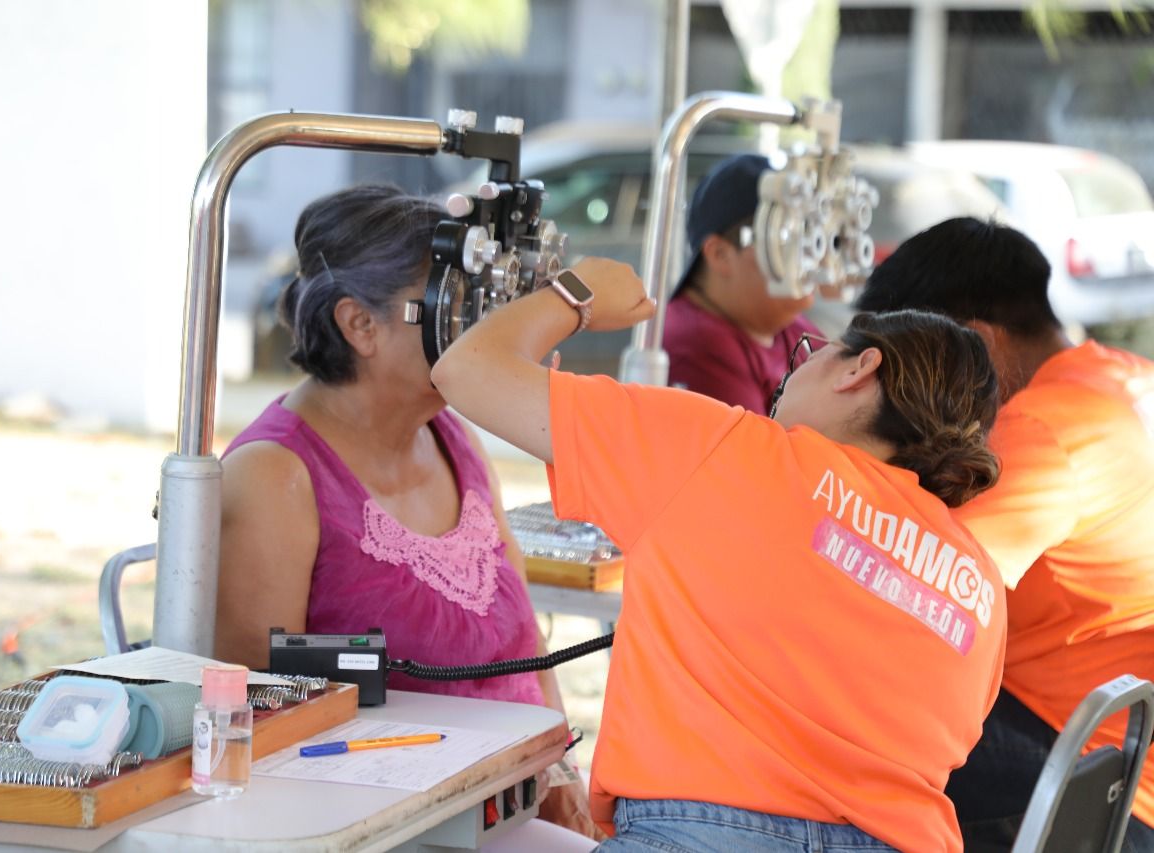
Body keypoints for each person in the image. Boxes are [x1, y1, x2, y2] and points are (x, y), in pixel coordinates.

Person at [432, 255, 1008, 852]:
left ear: (859, 369)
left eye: (812, 350)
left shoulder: (729, 447)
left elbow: (467, 370)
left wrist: (574, 295)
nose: (795, 367)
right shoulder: (979, 581)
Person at [213, 184, 598, 844]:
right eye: (453, 308)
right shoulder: (274, 475)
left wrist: (557, 766)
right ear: (359, 325)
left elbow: (524, 644)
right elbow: (258, 714)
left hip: (508, 803)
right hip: (392, 827)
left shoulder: (455, 437)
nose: (480, 334)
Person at [855, 216, 1154, 851]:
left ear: (977, 344)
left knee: (839, 732)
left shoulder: (1046, 430)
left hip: (1096, 776)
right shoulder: (1124, 377)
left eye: (913, 369)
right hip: (1116, 736)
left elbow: (916, 597)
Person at [663, 153, 823, 411]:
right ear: (720, 254)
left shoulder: (786, 325)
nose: (807, 253)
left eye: (805, 232)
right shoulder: (698, 346)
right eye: (782, 237)